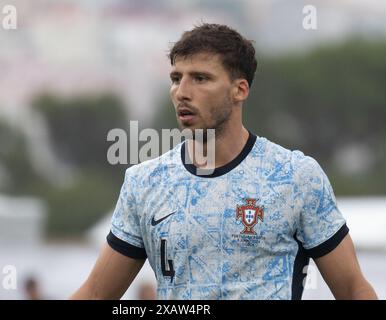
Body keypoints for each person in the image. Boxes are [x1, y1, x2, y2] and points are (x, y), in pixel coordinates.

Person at [71, 23, 377, 300]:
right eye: (176, 78)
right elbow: (96, 294)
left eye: (200, 78)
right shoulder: (144, 182)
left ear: (239, 90)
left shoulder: (296, 176)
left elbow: (353, 289)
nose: (182, 92)